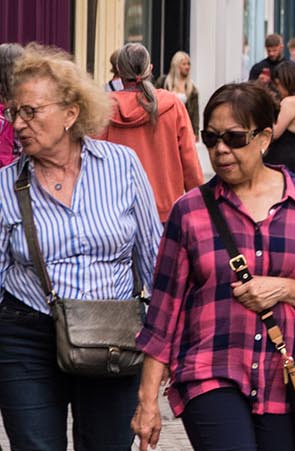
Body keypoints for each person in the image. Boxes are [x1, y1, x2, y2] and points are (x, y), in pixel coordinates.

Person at [130, 82, 295, 451]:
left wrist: (280, 287)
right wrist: (147, 401)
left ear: (263, 137)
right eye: (210, 139)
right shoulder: (190, 211)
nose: (220, 150)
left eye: (233, 138)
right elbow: (162, 315)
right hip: (209, 372)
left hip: (285, 378)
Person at [0, 44, 162, 449]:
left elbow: (154, 259)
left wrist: (161, 350)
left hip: (114, 336)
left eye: (30, 111)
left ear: (71, 113)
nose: (18, 123)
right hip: (27, 336)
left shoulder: (122, 166)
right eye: (13, 112)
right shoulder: (5, 184)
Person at [98, 43, 204, 223]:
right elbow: (190, 162)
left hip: (116, 213)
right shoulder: (172, 105)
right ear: (150, 69)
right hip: (166, 212)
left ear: (119, 71)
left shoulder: (104, 108)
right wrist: (201, 206)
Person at [263, 61, 295, 179]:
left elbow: (274, 133)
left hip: (286, 164)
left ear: (286, 81)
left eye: (278, 84)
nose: (276, 88)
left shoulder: (290, 102)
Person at [156, 50, 201, 135]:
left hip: (184, 127)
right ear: (176, 65)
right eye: (184, 64)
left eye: (188, 64)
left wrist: (195, 132)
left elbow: (195, 114)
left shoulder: (192, 88)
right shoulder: (163, 82)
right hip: (164, 126)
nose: (187, 67)